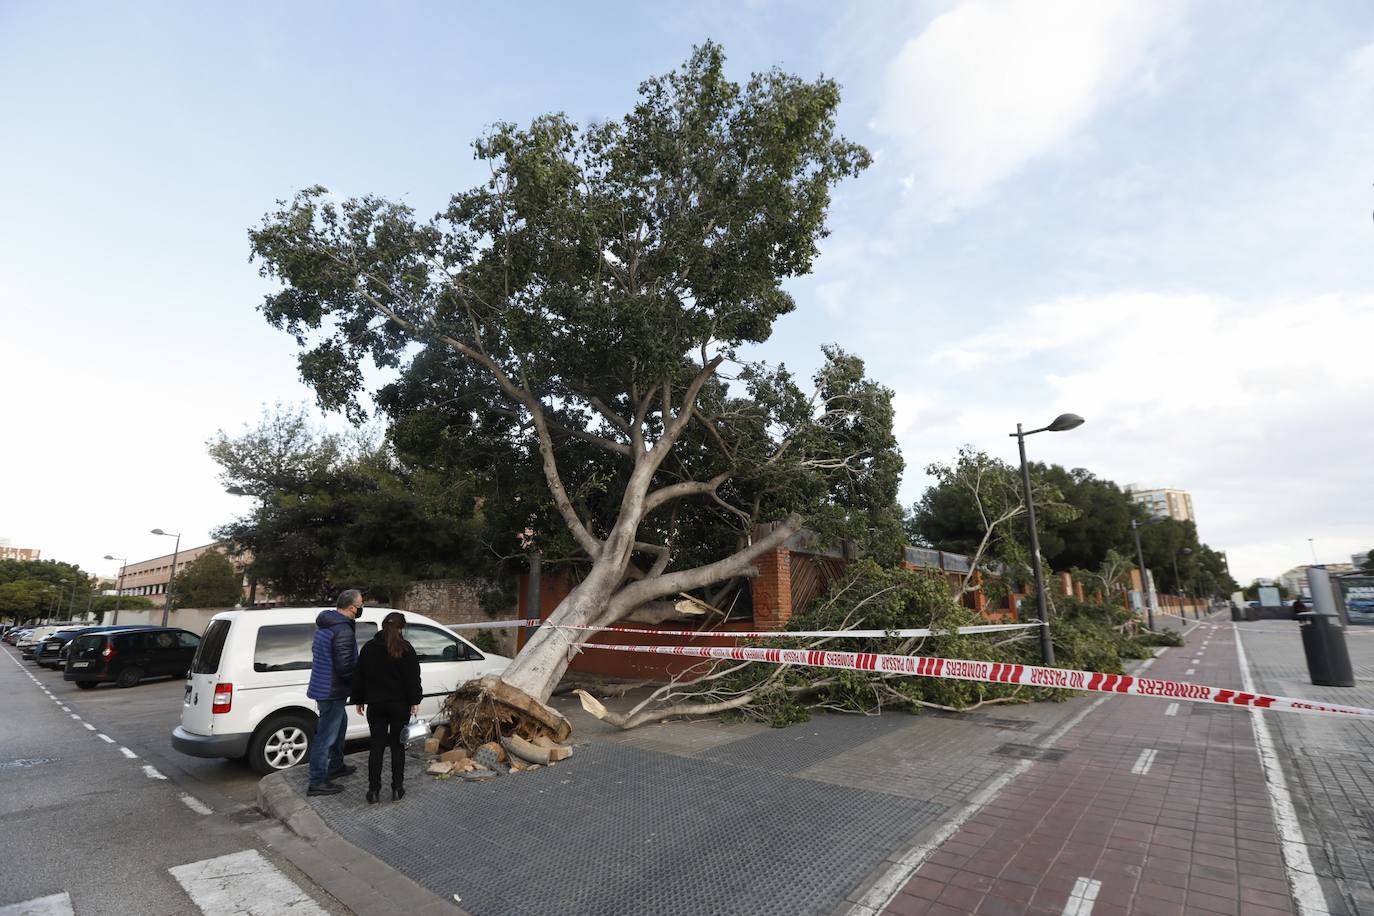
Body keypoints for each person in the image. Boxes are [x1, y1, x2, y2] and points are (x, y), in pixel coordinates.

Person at [352, 612, 422, 803]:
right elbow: (413, 678)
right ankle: (397, 789)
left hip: (376, 706)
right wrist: (415, 701)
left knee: (376, 747)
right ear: (401, 628)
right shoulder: (406, 648)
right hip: (400, 705)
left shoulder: (369, 648)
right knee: (398, 747)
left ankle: (373, 791)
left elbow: (359, 676)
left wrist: (358, 699)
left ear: (382, 626)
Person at [305, 589, 364, 796]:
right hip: (332, 690)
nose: (360, 609)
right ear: (351, 608)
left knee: (340, 726)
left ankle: (336, 765)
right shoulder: (343, 630)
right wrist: (360, 685)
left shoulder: (326, 624)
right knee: (325, 736)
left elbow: (318, 652)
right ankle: (317, 781)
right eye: (360, 605)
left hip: (325, 687)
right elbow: (345, 667)